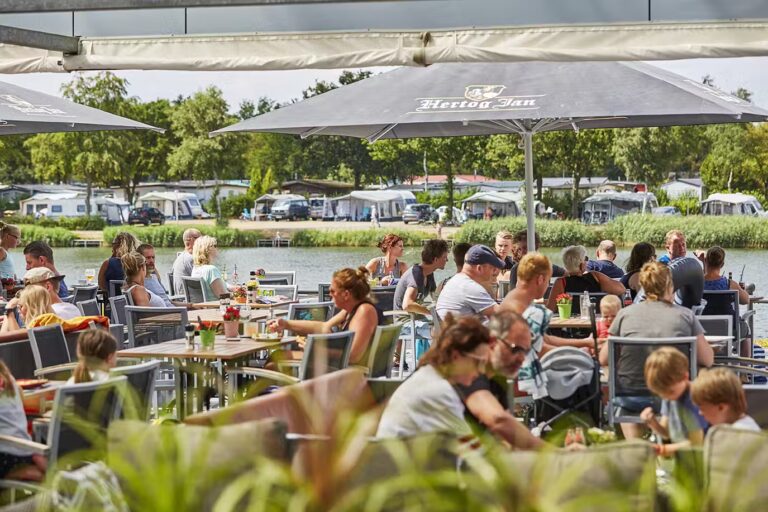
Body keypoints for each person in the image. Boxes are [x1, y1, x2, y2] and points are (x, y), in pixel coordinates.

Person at [599, 262, 713, 439]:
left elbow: (604, 358)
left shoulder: (625, 314)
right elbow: (707, 359)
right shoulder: (685, 316)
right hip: (674, 397)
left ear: (643, 287)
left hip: (629, 396)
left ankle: (636, 446)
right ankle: (676, 443)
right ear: (670, 286)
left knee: (626, 391)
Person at [376, 315, 491, 438]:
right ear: (456, 356)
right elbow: (469, 445)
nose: (481, 371)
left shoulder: (428, 376)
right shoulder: (440, 391)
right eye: (479, 362)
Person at [455, 310, 543, 450]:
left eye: (525, 352)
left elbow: (505, 436)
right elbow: (499, 421)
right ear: (493, 343)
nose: (522, 359)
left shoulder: (497, 377)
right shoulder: (468, 370)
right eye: (516, 349)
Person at [269, 267, 382, 365]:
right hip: (339, 366)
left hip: (350, 375)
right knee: (276, 356)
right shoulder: (351, 310)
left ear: (346, 294)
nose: (329, 294)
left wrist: (315, 350)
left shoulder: (364, 312)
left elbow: (353, 357)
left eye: (332, 291)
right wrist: (286, 324)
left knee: (274, 362)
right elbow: (324, 327)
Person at [501, 253, 593, 353]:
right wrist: (580, 352)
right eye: (548, 280)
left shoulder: (511, 300)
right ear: (540, 280)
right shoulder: (530, 311)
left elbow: (545, 339)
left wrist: (585, 342)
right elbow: (540, 350)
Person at [640, 347, 708, 456]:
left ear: (685, 376)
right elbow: (667, 434)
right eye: (660, 393)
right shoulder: (669, 396)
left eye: (670, 392)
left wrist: (664, 450)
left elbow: (696, 444)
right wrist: (652, 422)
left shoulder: (694, 400)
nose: (666, 397)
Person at [546, 245, 626, 316]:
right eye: (586, 259)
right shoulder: (595, 277)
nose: (587, 262)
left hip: (569, 325)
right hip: (595, 321)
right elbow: (621, 289)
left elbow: (550, 310)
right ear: (581, 264)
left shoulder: (561, 282)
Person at [0, 359, 46, 481]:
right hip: (25, 448)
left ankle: (19, 472)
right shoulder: (9, 379)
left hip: (6, 457)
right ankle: (35, 463)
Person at [436, 245, 502, 321]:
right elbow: (502, 315)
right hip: (466, 328)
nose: (494, 272)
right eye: (492, 268)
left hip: (457, 327)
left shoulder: (458, 280)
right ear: (479, 268)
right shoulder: (470, 287)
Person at [690, 367, 761, 431]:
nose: (700, 413)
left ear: (721, 407)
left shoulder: (736, 434)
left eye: (702, 408)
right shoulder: (745, 425)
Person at [393, 239, 449, 310]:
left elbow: (435, 297)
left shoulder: (429, 273)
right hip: (404, 316)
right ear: (435, 260)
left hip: (416, 315)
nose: (447, 260)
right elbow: (407, 305)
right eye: (445, 257)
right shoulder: (417, 274)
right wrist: (431, 313)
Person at [190, 236, 229, 301]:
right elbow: (223, 297)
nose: (217, 248)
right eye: (215, 246)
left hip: (204, 305)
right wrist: (238, 294)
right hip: (216, 305)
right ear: (208, 249)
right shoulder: (211, 270)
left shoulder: (195, 269)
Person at [137, 243, 173, 307]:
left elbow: (168, 302)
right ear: (140, 260)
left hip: (174, 309)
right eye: (148, 258)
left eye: (153, 257)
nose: (152, 261)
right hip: (168, 312)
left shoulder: (154, 277)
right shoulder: (140, 283)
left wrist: (190, 305)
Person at [171, 228, 202, 296]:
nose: (202, 242)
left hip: (180, 298)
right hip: (191, 300)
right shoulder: (191, 259)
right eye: (200, 239)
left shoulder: (180, 257)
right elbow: (204, 282)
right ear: (189, 240)